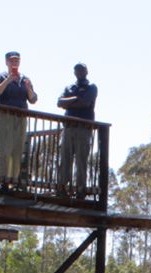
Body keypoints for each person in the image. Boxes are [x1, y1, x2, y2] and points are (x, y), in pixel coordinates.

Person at [0, 51, 37, 191]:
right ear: (6, 62)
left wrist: (29, 88)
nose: (14, 63)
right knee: (5, 148)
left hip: (21, 117)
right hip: (5, 117)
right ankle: (4, 180)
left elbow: (33, 99)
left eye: (17, 60)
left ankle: (14, 180)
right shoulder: (2, 76)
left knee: (17, 149)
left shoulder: (25, 79)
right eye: (11, 61)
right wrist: (8, 80)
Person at [57, 63, 97, 197]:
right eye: (77, 70)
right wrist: (75, 98)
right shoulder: (69, 87)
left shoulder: (91, 87)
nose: (79, 72)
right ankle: (62, 187)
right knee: (65, 158)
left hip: (83, 129)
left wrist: (69, 102)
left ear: (87, 71)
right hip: (68, 128)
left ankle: (80, 190)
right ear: (74, 73)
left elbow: (85, 102)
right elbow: (59, 102)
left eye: (82, 70)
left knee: (81, 160)